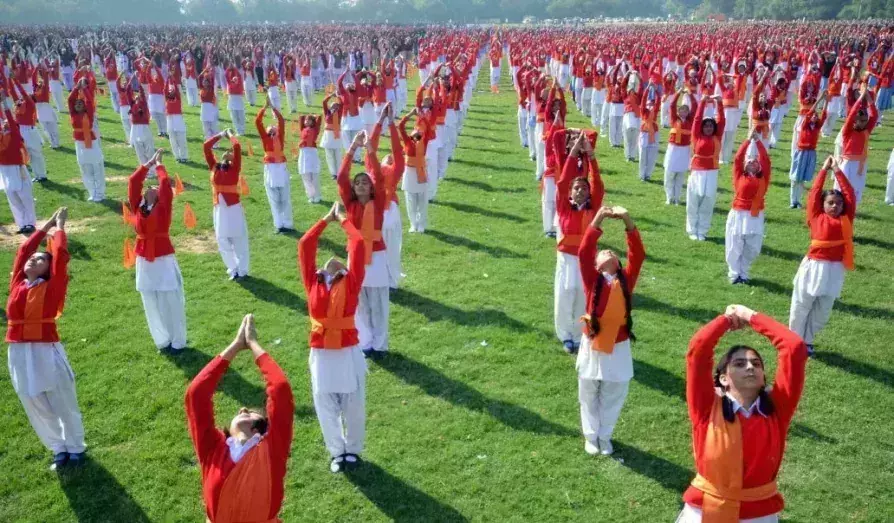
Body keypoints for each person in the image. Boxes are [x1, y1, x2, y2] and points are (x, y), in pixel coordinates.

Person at [680, 304, 806, 523]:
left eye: (756, 364)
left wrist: (750, 316)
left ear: (763, 378)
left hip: (759, 515)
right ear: (723, 379)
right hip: (705, 509)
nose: (750, 367)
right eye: (739, 363)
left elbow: (794, 348)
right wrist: (726, 320)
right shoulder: (706, 407)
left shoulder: (778, 410)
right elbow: (698, 350)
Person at [185, 314, 294, 522]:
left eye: (251, 412)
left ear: (260, 428)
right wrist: (235, 346)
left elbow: (280, 390)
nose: (242, 408)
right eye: (240, 411)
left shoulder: (272, 449)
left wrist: (254, 345)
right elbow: (196, 394)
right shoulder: (212, 449)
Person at [7, 207, 87, 471]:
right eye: (34, 258)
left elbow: (60, 257)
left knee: (61, 398)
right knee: (33, 400)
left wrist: (60, 227)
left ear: (47, 270)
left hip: (45, 348)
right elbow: (23, 251)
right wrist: (46, 225)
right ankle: (58, 448)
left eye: (41, 260)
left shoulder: (53, 285)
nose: (33, 260)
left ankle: (75, 447)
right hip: (18, 351)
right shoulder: (18, 283)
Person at [298, 204, 368, 473]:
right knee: (325, 403)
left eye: (339, 261)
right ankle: (337, 452)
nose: (332, 260)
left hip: (347, 349)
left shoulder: (352, 281)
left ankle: (353, 449)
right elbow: (305, 245)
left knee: (353, 403)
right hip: (321, 352)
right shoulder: (312, 281)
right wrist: (325, 220)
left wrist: (342, 219)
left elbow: (358, 243)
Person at [576, 206, 645, 456]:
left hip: (618, 345)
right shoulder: (591, 280)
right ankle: (590, 435)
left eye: (611, 252)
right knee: (588, 390)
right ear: (596, 265)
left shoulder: (626, 279)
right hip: (592, 343)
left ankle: (605, 435)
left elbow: (638, 254)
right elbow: (584, 251)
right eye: (602, 251)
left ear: (617, 264)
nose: (607, 251)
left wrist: (627, 219)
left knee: (614, 392)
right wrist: (599, 217)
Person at [789, 157, 855, 356]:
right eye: (830, 203)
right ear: (823, 204)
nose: (835, 206)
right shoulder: (816, 216)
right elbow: (814, 193)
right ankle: (795, 341)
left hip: (834, 269)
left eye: (839, 204)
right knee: (802, 304)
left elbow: (850, 194)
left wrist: (838, 171)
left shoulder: (846, 219)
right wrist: (824, 170)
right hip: (813, 266)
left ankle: (808, 340)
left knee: (823, 309)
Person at [338, 110, 390, 360]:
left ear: (371, 188)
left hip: (377, 256)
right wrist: (352, 148)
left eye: (364, 182)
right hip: (356, 256)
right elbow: (341, 177)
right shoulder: (350, 205)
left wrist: (369, 148)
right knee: (359, 300)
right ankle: (366, 341)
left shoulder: (377, 202)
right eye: (357, 182)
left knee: (378, 300)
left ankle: (380, 343)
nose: (360, 185)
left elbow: (378, 176)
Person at [129, 150, 187, 354]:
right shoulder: (137, 206)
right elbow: (133, 181)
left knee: (170, 299)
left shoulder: (163, 207)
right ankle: (162, 340)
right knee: (150, 299)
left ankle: (178, 340)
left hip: (162, 257)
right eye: (148, 186)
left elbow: (164, 185)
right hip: (143, 258)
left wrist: (160, 165)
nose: (150, 187)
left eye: (153, 187)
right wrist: (148, 164)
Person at [554, 132, 604, 354]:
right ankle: (565, 335)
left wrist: (591, 156)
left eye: (584, 188)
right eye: (576, 189)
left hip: (586, 258)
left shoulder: (593, 209)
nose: (580, 191)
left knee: (583, 295)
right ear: (570, 193)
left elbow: (598, 183)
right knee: (566, 293)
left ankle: (578, 334)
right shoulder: (564, 207)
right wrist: (574, 152)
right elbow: (563, 180)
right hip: (566, 258)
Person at [204, 129, 250, 281]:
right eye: (226, 152)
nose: (227, 153)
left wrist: (230, 135)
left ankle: (243, 270)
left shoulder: (235, 168)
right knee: (222, 240)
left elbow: (237, 147)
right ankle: (233, 268)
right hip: (219, 208)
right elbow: (206, 146)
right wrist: (220, 135)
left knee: (239, 239)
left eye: (230, 153)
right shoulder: (214, 166)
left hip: (233, 208)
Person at [725, 137, 770, 285]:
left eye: (755, 161)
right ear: (744, 165)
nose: (752, 163)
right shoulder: (739, 175)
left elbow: (766, 160)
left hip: (755, 216)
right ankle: (734, 274)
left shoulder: (764, 178)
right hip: (739, 214)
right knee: (734, 244)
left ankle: (744, 272)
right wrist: (747, 140)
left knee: (753, 246)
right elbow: (738, 158)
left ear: (759, 166)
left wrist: (757, 142)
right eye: (749, 161)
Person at [687, 95, 725, 241]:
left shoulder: (717, 136)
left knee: (708, 202)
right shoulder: (697, 136)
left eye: (711, 126)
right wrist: (702, 102)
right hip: (697, 171)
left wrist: (719, 103)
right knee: (693, 200)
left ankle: (702, 230)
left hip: (712, 171)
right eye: (706, 126)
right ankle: (692, 229)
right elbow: (697, 119)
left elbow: (722, 121)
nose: (708, 128)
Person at [0, 94, 37, 233]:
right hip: (4, 170)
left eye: (7, 123)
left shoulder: (15, 135)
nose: (4, 124)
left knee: (25, 196)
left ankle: (30, 223)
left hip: (17, 169)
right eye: (3, 123)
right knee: (13, 198)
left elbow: (10, 118)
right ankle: (21, 224)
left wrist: (5, 103)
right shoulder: (1, 136)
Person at [256, 100, 293, 233]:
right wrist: (264, 108)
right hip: (270, 169)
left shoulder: (280, 136)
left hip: (281, 167)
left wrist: (273, 108)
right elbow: (258, 122)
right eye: (269, 129)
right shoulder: (265, 139)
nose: (272, 129)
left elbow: (281, 121)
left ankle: (287, 224)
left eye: (274, 128)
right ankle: (278, 224)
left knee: (285, 197)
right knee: (273, 199)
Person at [837, 90, 878, 207]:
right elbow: (850, 116)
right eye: (860, 120)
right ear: (855, 120)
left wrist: (868, 98)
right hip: (847, 164)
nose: (863, 123)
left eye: (865, 120)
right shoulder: (847, 131)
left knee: (857, 188)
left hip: (861, 164)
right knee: (842, 186)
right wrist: (860, 98)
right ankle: (840, 207)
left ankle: (852, 208)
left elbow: (874, 115)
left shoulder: (866, 131)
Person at [68, 79, 105, 202]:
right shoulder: (73, 114)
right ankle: (92, 192)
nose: (78, 104)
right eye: (76, 103)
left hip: (91, 143)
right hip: (79, 144)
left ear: (84, 106)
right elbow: (70, 100)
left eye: (81, 103)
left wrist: (84, 88)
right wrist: (76, 88)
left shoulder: (89, 114)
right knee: (84, 168)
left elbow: (89, 101)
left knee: (97, 167)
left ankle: (100, 193)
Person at [789, 96, 827, 209]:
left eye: (816, 116)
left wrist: (826, 101)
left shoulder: (817, 127)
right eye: (813, 115)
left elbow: (824, 115)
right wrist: (820, 99)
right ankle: (792, 200)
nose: (814, 116)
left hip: (810, 153)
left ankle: (798, 201)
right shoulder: (805, 125)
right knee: (795, 178)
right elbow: (810, 112)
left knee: (802, 178)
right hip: (801, 152)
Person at [399, 108, 430, 234]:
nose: (417, 136)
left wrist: (422, 116)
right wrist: (410, 114)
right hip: (410, 173)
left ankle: (421, 223)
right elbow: (401, 126)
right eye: (415, 134)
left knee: (422, 200)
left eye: (419, 134)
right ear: (411, 136)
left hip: (421, 172)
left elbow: (428, 128)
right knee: (410, 200)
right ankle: (413, 224)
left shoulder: (424, 142)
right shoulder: (408, 143)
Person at [664, 89, 695, 205]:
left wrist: (690, 94)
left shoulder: (690, 120)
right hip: (673, 148)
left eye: (686, 110)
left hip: (684, 150)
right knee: (670, 174)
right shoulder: (674, 119)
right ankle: (669, 197)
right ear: (678, 111)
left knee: (680, 175)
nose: (683, 112)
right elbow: (672, 104)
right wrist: (678, 93)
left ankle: (677, 197)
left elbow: (695, 106)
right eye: (681, 110)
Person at [298, 113, 322, 204]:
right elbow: (301, 118)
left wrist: (314, 117)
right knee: (305, 175)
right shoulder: (302, 129)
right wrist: (305, 118)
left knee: (314, 176)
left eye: (309, 120)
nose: (306, 121)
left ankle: (317, 195)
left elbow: (319, 119)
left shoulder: (315, 129)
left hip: (312, 152)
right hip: (303, 153)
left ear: (313, 122)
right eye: (306, 120)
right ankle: (310, 195)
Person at [164, 76, 189, 163]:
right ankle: (177, 156)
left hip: (178, 119)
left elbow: (177, 91)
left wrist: (173, 81)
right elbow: (165, 90)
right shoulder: (167, 99)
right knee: (172, 139)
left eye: (172, 91)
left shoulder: (178, 99)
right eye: (169, 91)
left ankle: (184, 156)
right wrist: (167, 80)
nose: (171, 92)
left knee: (181, 138)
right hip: (170, 119)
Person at [321, 93, 344, 179]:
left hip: (336, 136)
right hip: (328, 136)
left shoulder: (339, 113)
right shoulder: (327, 113)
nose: (334, 107)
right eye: (333, 106)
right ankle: (333, 173)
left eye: (336, 106)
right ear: (330, 107)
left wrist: (338, 96)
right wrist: (330, 96)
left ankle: (339, 172)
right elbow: (324, 102)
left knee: (338, 155)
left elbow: (342, 103)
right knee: (329, 155)